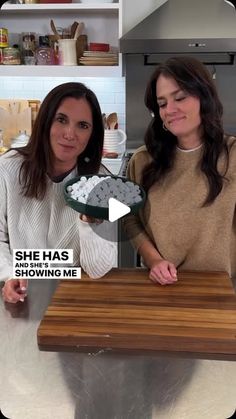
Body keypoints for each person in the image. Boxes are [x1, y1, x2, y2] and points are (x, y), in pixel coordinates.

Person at [123, 56, 236, 285]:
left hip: (222, 290)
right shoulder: (143, 160)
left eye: (180, 97)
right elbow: (130, 218)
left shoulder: (233, 154)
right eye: (162, 103)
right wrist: (154, 261)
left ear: (204, 98)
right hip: (163, 287)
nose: (170, 110)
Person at [0, 82, 117, 303]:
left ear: (92, 134)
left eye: (82, 125)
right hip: (20, 292)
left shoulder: (101, 182)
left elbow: (98, 269)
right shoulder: (7, 168)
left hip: (77, 298)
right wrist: (9, 274)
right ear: (45, 121)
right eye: (61, 120)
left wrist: (88, 218)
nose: (70, 134)